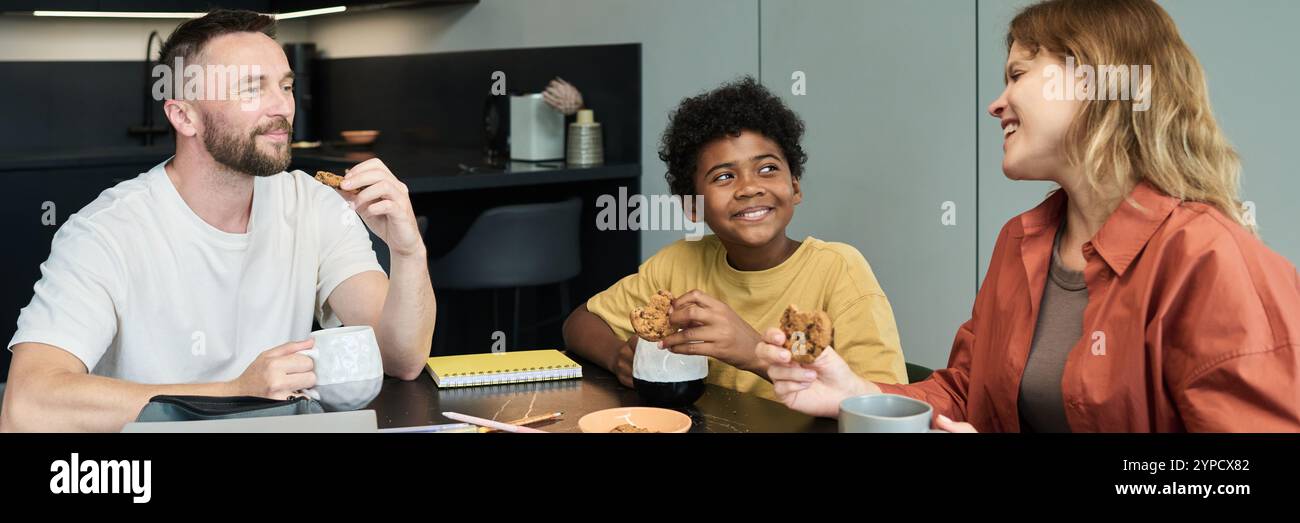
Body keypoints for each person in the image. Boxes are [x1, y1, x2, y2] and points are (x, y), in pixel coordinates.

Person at [758, 0, 1300, 432]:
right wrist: (852, 392)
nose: (997, 103)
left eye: (1018, 73)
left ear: (1093, 80)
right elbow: (970, 395)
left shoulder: (1208, 258)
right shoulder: (1020, 241)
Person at [1, 10, 436, 432]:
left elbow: (400, 359)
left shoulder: (313, 204)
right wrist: (232, 393)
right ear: (183, 116)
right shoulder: (105, 233)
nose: (281, 107)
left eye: (285, 86)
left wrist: (408, 250)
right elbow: (26, 408)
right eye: (252, 89)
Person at [564, 77, 907, 400]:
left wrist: (758, 354)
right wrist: (617, 358)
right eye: (724, 176)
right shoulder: (679, 264)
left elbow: (883, 404)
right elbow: (580, 322)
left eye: (768, 168)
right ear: (693, 206)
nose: (749, 188)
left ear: (795, 186)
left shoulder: (839, 271)